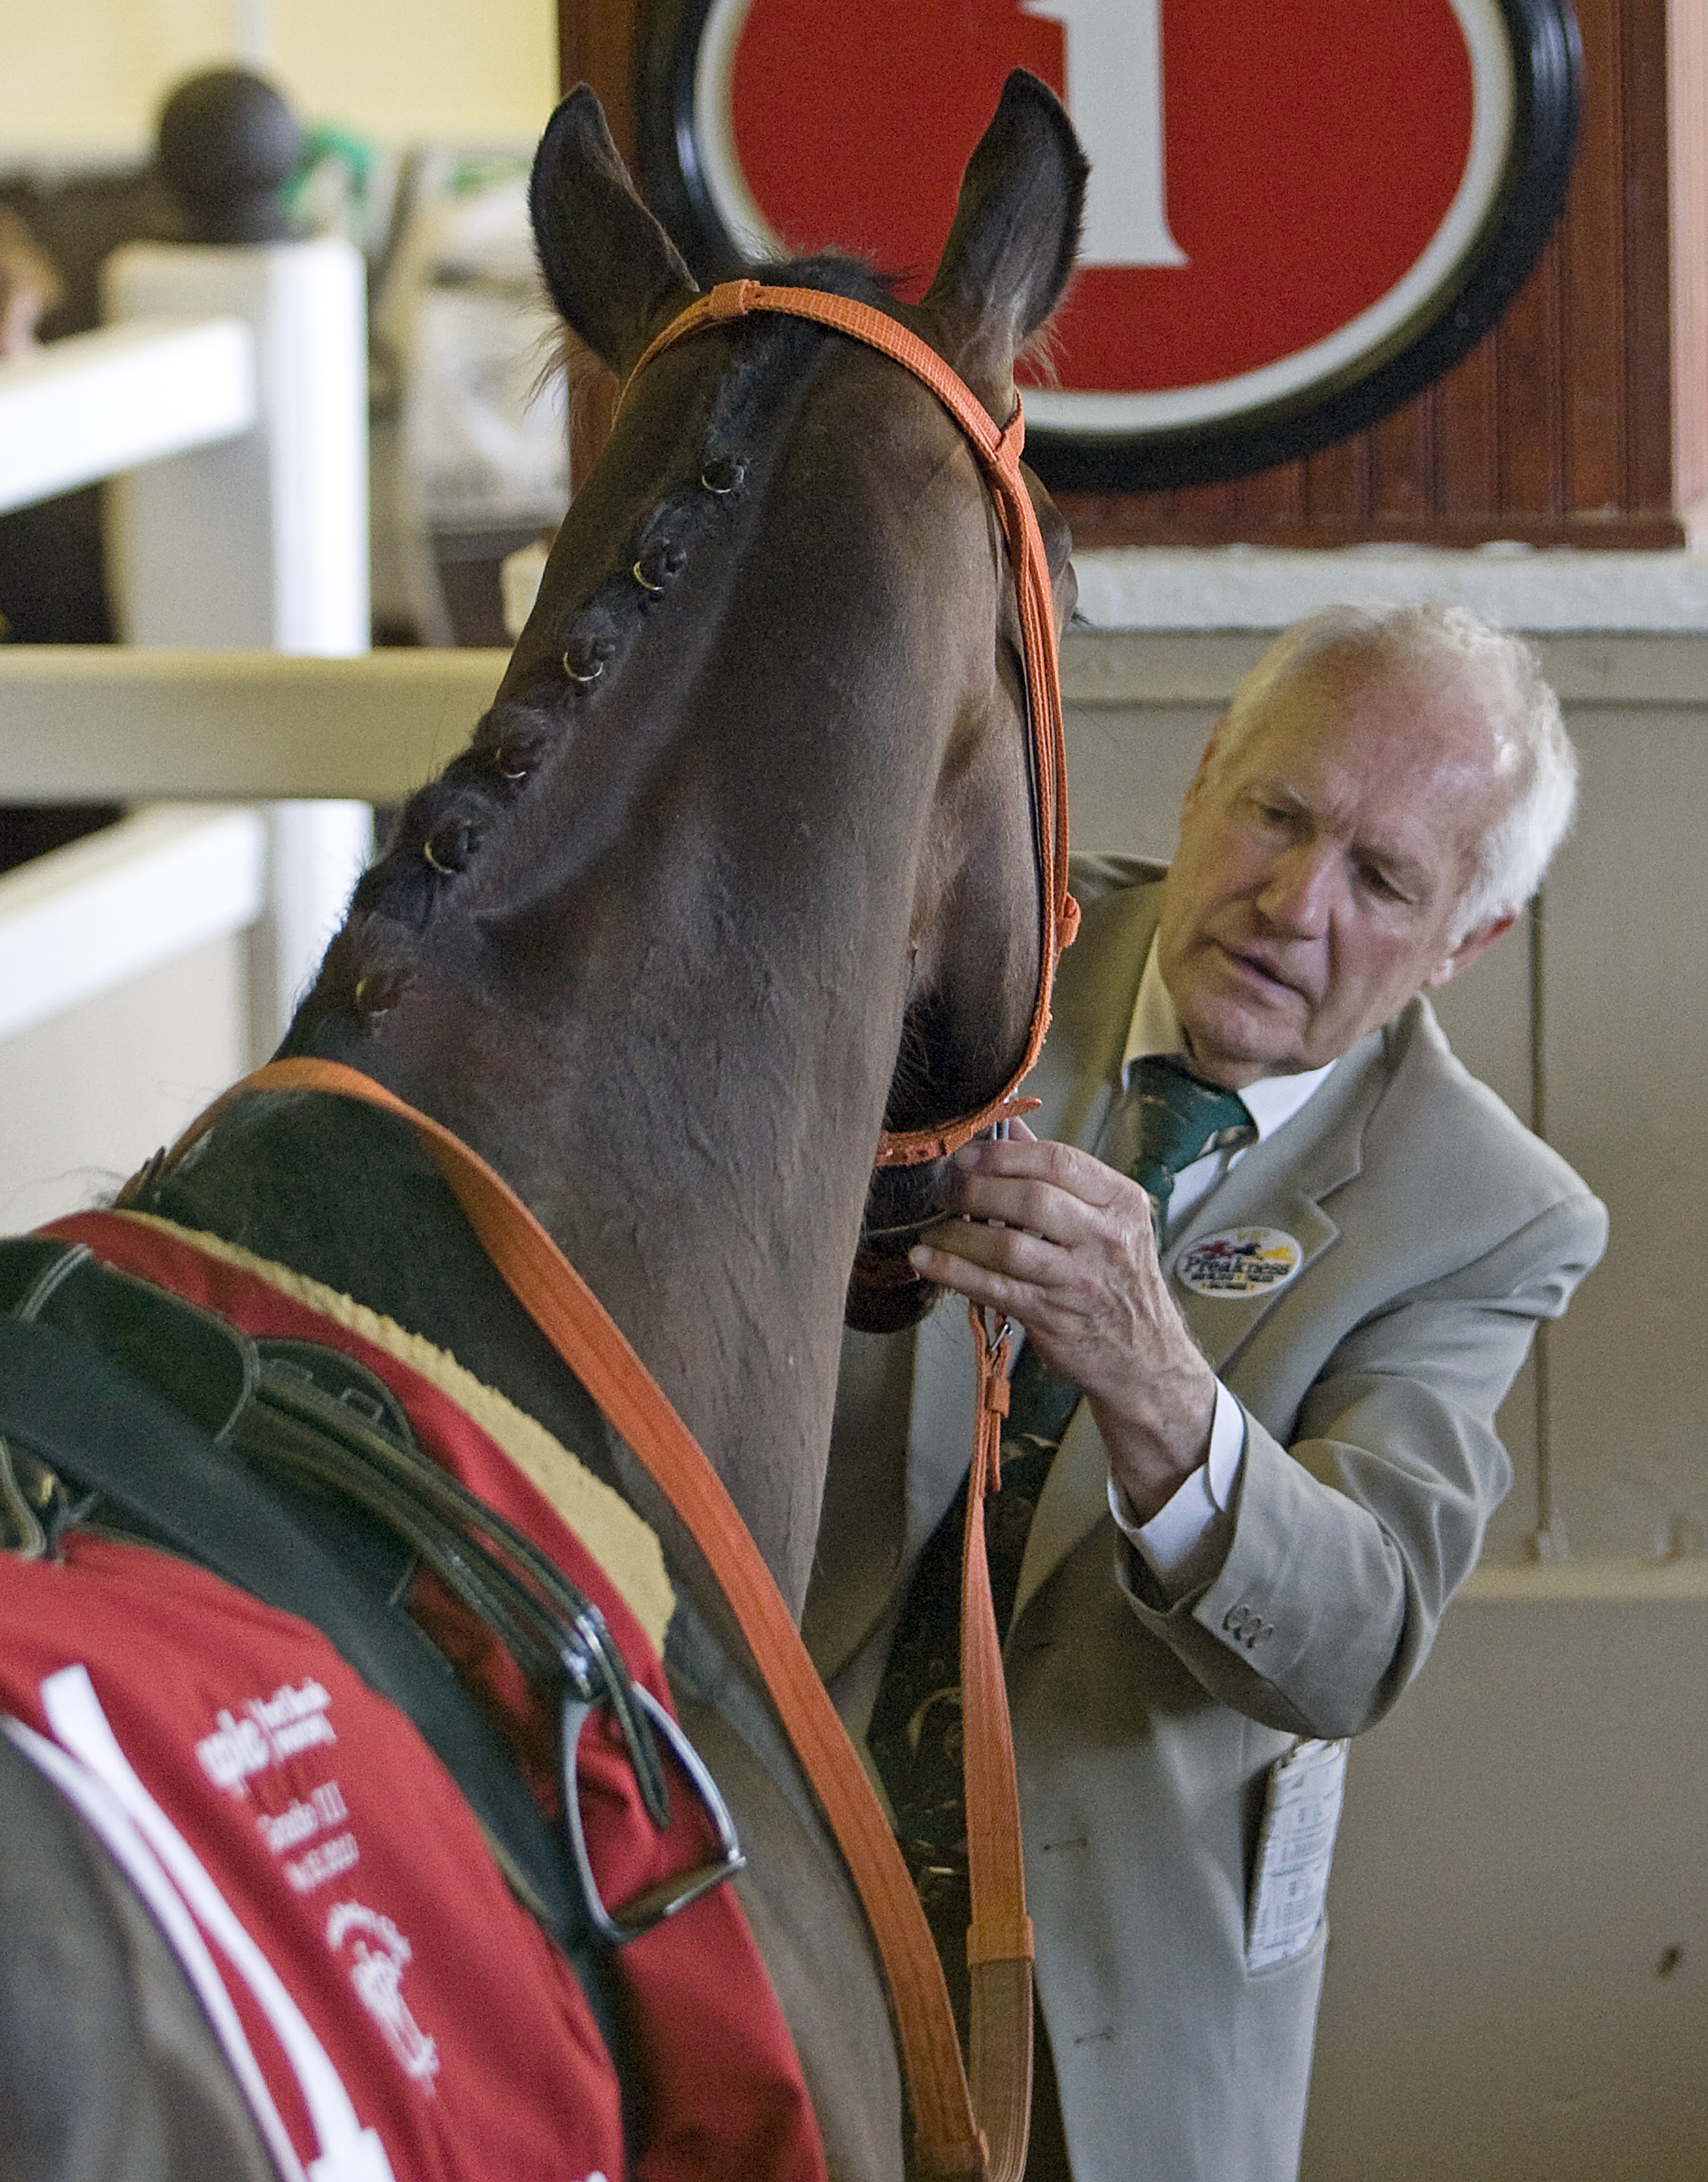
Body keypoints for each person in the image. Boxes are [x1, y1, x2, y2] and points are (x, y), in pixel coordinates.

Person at [802, 603, 1608, 2182]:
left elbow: (1356, 1641)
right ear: (1199, 780)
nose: (1294, 903)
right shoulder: (971, 971)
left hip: (1097, 1988)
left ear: (1468, 940)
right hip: (767, 1856)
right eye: (1277, 813)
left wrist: (1156, 1376)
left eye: (1383, 880)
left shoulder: (1488, 1211)